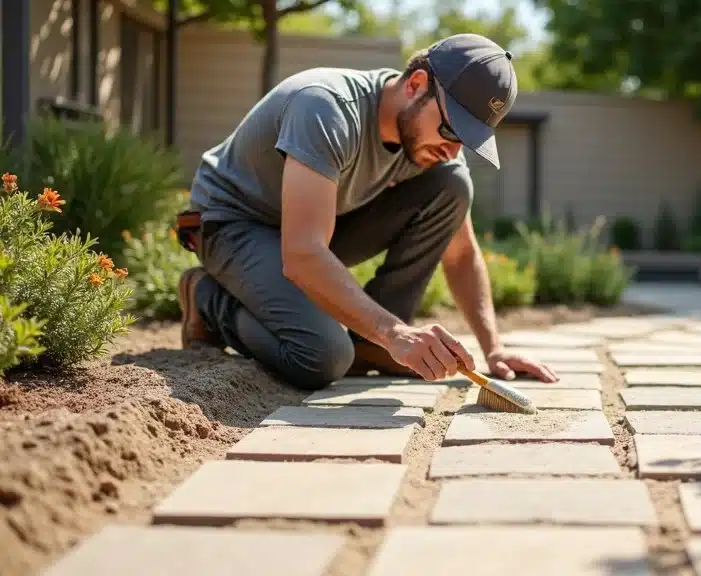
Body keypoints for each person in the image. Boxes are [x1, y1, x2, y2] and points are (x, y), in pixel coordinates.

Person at [174, 33, 558, 390]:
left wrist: (494, 350)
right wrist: (395, 333)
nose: (453, 150)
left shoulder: (432, 149)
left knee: (453, 185)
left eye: (468, 140)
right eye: (452, 129)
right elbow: (303, 253)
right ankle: (207, 300)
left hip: (312, 228)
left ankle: (370, 343)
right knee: (322, 356)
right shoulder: (325, 108)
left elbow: (460, 255)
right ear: (416, 85)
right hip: (234, 222)